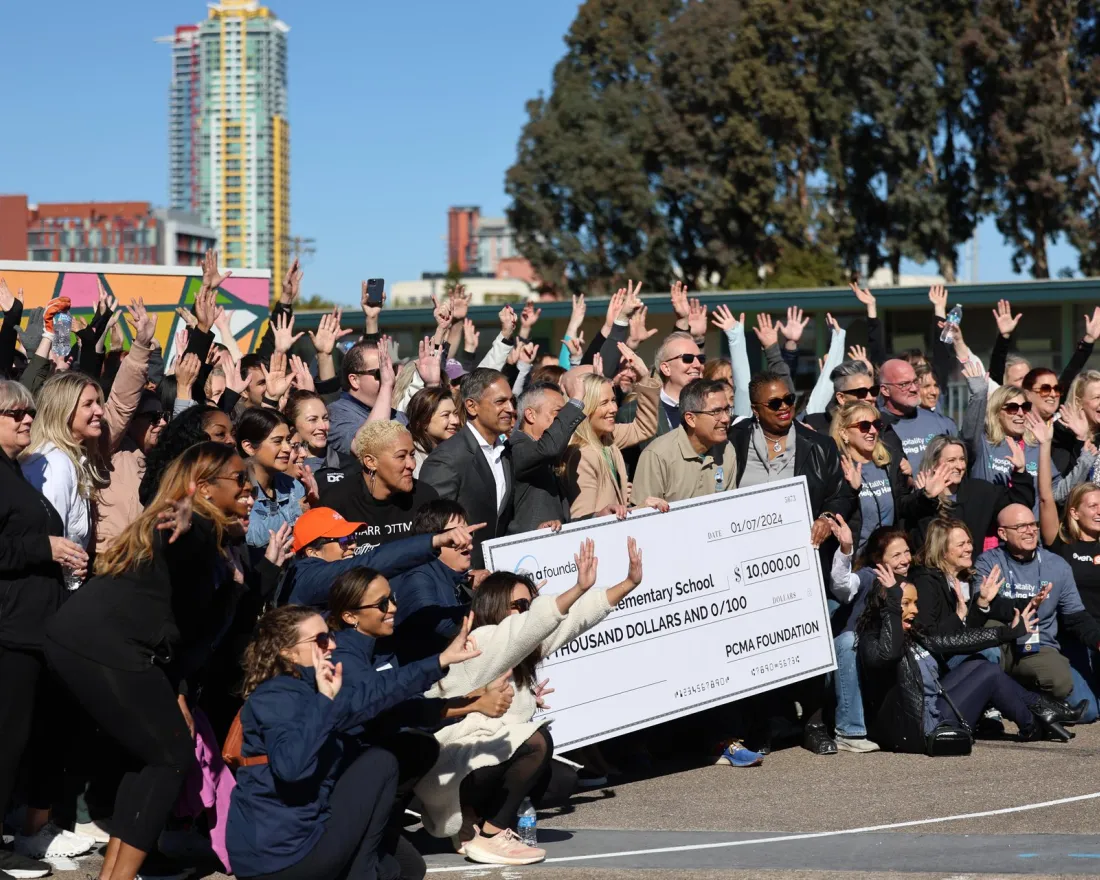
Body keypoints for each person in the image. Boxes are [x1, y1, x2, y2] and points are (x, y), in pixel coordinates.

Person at [43, 443, 256, 880]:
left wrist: (176, 690)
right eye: (238, 480)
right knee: (171, 755)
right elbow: (184, 535)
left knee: (154, 755)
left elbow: (192, 633)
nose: (249, 489)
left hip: (110, 643)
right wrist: (187, 518)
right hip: (104, 643)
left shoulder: (215, 539)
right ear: (203, 489)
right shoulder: (189, 527)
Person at [415, 537, 644, 866]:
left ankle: (475, 822)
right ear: (494, 607)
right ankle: (490, 833)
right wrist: (576, 589)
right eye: (519, 606)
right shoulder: (479, 642)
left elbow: (572, 622)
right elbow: (530, 627)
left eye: (530, 604)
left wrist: (627, 584)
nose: (527, 613)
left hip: (481, 760)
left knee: (557, 781)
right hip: (450, 766)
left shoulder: (518, 649)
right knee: (537, 742)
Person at [225, 605, 478, 880]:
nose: (332, 644)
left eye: (330, 636)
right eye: (321, 640)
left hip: (300, 836)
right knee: (379, 763)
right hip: (279, 856)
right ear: (287, 651)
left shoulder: (313, 688)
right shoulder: (275, 696)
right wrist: (324, 701)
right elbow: (290, 766)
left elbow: (378, 691)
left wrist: (441, 659)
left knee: (409, 867)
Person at [327, 569, 515, 878]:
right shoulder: (344, 656)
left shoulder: (373, 647)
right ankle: (361, 839)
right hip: (339, 793)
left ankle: (375, 832)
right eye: (381, 604)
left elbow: (403, 708)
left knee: (411, 868)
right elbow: (391, 708)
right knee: (412, 749)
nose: (393, 609)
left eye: (392, 599)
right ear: (350, 617)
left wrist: (473, 699)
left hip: (362, 777)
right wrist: (449, 672)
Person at [0, 381, 90, 872]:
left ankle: (17, 840)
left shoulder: (13, 472)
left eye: (30, 412)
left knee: (22, 739)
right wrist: (46, 548)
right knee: (6, 740)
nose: (25, 420)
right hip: (9, 629)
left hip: (33, 627)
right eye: (13, 412)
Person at [856, 568, 1072, 753]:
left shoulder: (912, 634)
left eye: (915, 603)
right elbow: (890, 654)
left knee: (981, 665)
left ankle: (1039, 712)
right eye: (906, 603)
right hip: (919, 728)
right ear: (887, 606)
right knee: (989, 676)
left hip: (934, 707)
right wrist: (893, 603)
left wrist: (1010, 632)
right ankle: (1034, 723)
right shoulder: (872, 641)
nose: (915, 610)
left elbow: (957, 641)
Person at [976, 503, 1100, 716]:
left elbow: (1075, 616)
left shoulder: (1057, 565)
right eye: (1021, 526)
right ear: (1002, 533)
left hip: (1037, 644)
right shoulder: (988, 561)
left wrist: (1097, 639)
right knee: (986, 652)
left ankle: (1019, 697)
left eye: (1033, 525)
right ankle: (993, 701)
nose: (1030, 530)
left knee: (1086, 711)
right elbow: (986, 606)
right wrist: (1026, 604)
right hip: (1001, 642)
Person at [283, 506, 480, 610]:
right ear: (312, 552)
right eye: (343, 539)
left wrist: (464, 578)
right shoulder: (304, 578)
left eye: (352, 537)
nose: (352, 544)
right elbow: (371, 562)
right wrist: (435, 540)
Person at [827, 524, 911, 753]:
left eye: (906, 552)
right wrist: (845, 549)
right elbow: (842, 585)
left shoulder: (912, 580)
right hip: (854, 661)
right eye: (896, 555)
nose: (905, 559)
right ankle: (848, 731)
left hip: (886, 661)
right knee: (847, 641)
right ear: (878, 559)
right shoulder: (867, 576)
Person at [420, 368, 517, 567]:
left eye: (511, 401)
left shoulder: (506, 451)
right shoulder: (447, 458)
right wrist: (464, 573)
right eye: (500, 402)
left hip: (497, 577)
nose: (510, 409)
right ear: (472, 407)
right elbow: (433, 529)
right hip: (462, 581)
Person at [961, 366, 1091, 513]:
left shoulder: (1034, 447)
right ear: (997, 412)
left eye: (1025, 407)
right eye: (1012, 408)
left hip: (1030, 532)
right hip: (989, 532)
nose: (1020, 413)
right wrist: (978, 396)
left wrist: (1084, 463)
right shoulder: (983, 443)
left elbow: (1056, 493)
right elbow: (968, 435)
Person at [21, 371, 111, 585]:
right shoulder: (55, 464)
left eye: (98, 402)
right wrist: (68, 575)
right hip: (47, 590)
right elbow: (48, 539)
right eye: (88, 404)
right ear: (64, 411)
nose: (99, 411)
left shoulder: (72, 459)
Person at [563, 345, 664, 519]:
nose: (614, 409)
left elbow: (644, 427)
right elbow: (583, 520)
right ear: (586, 408)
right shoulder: (582, 454)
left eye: (613, 400)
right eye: (604, 403)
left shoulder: (608, 437)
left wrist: (644, 378)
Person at [319, 420, 438, 552]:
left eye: (412, 455)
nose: (411, 465)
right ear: (370, 462)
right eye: (401, 456)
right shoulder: (337, 501)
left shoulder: (424, 497)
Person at [389, 500, 478, 666]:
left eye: (469, 534)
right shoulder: (417, 577)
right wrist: (492, 602)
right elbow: (442, 626)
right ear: (436, 540)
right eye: (457, 536)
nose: (468, 543)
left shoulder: (456, 576)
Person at [908, 435, 1035, 548]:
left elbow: (1018, 503)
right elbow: (920, 542)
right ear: (934, 464)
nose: (959, 466)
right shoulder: (919, 500)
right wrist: (927, 498)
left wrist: (1020, 471)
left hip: (969, 571)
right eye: (951, 460)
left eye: (962, 459)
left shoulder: (979, 491)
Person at [828, 401, 920, 553]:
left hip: (889, 561)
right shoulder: (836, 470)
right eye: (864, 426)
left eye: (876, 424)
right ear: (844, 433)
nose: (872, 431)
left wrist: (924, 495)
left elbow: (903, 508)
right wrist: (852, 490)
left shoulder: (889, 464)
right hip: (855, 563)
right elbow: (835, 516)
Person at [1041, 483, 1100, 706]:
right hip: (1072, 638)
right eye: (1093, 506)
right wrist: (1045, 447)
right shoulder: (1061, 545)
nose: (1099, 511)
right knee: (1088, 709)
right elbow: (1046, 498)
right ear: (1074, 512)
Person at [632, 377, 737, 502]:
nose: (726, 419)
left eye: (726, 410)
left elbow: (729, 507)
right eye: (716, 412)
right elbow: (643, 515)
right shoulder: (657, 456)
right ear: (691, 419)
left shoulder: (727, 450)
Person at [508, 372, 587, 534]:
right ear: (530, 415)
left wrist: (599, 516)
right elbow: (549, 448)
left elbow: (563, 520)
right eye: (558, 413)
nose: (561, 421)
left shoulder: (546, 453)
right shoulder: (516, 448)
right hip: (527, 553)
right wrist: (576, 401)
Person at [237, 408, 307, 552]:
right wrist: (297, 511)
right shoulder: (236, 487)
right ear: (249, 447)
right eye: (277, 441)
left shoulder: (293, 485)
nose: (287, 448)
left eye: (288, 440)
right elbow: (251, 535)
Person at [138, 406, 236, 505]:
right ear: (195, 439)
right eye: (220, 434)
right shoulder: (172, 497)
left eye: (233, 434)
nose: (232, 441)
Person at [877, 358, 957, 472]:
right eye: (904, 384)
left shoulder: (943, 424)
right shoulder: (872, 426)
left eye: (915, 382)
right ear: (885, 390)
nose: (914, 389)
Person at [327, 340, 399, 457]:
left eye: (392, 370)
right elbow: (365, 447)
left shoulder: (398, 415)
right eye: (380, 373)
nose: (389, 377)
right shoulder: (333, 414)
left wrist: (432, 384)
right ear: (354, 380)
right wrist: (386, 386)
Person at [406, 386, 461, 477]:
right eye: (446, 415)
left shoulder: (459, 450)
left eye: (455, 413)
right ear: (423, 421)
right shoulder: (412, 458)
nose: (456, 421)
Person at [285, 390, 338, 473]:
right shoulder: (280, 466)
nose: (323, 427)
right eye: (312, 420)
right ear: (293, 424)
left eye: (325, 418)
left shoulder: (347, 465)